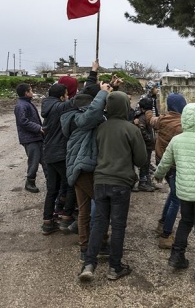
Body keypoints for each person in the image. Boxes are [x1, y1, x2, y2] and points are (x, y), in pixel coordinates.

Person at [79, 91, 147, 282]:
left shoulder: (100, 128)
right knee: (118, 226)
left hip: (100, 182)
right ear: (126, 106)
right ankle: (114, 268)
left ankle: (89, 264)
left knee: (99, 223)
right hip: (121, 183)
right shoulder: (131, 129)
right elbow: (142, 159)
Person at [154, 103, 195, 282]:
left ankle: (177, 256)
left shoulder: (177, 140)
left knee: (185, 222)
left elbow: (166, 161)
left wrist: (158, 174)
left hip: (184, 192)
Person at [61, 82, 112, 262]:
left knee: (84, 211)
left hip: (78, 168)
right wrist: (103, 93)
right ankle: (102, 244)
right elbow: (93, 113)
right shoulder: (80, 119)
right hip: (84, 168)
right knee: (102, 206)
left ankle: (85, 247)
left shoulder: (71, 116)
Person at [145, 93, 187, 249]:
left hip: (161, 161)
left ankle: (162, 224)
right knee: (177, 199)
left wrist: (147, 109)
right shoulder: (181, 125)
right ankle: (166, 235)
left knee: (172, 194)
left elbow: (150, 119)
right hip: (174, 165)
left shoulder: (162, 120)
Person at [40, 83, 80, 235]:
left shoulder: (47, 106)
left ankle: (47, 222)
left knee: (52, 189)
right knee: (72, 184)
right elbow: (77, 100)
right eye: (66, 94)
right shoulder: (59, 108)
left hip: (49, 153)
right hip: (60, 154)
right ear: (61, 96)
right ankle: (66, 217)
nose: (68, 97)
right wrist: (92, 74)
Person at [14, 83, 46, 193]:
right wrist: (38, 128)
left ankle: (50, 179)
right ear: (26, 93)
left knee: (44, 159)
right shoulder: (21, 106)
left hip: (36, 137)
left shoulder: (27, 103)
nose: (32, 92)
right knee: (34, 160)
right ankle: (30, 182)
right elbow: (23, 122)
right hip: (29, 138)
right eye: (31, 90)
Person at [132, 97, 156, 192]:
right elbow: (142, 130)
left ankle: (147, 181)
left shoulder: (146, 116)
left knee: (147, 163)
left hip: (148, 145)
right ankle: (143, 182)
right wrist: (149, 139)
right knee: (144, 164)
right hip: (145, 145)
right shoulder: (142, 117)